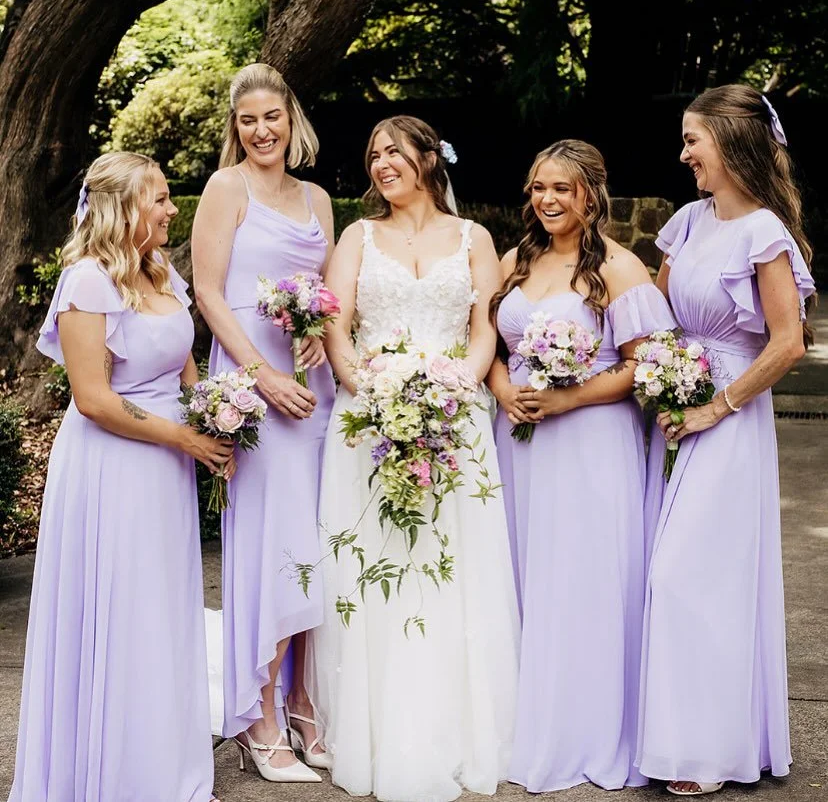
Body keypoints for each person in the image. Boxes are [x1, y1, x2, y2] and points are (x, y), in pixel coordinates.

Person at [310, 115, 520, 802]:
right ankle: (377, 732)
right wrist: (367, 390)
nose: (381, 164)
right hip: (368, 421)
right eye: (373, 154)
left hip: (456, 421)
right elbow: (336, 327)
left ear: (430, 157)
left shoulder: (474, 238)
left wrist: (456, 387)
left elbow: (484, 329)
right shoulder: (357, 237)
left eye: (394, 151)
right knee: (379, 568)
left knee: (451, 567)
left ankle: (455, 728)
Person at [9, 152, 230, 802]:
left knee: (159, 611)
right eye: (159, 198)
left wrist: (219, 416)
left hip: (164, 469)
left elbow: (185, 366)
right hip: (112, 468)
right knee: (121, 609)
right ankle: (112, 775)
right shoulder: (87, 281)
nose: (171, 209)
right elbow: (94, 399)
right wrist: (187, 438)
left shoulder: (159, 269)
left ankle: (161, 766)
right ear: (123, 207)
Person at [637, 84, 815, 795]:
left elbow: (789, 342)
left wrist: (717, 406)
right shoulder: (687, 221)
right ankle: (676, 738)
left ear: (732, 143)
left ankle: (707, 751)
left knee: (691, 575)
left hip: (729, 419)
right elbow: (656, 313)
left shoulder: (763, 232)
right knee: (669, 573)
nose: (684, 154)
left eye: (693, 140)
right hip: (675, 408)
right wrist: (656, 378)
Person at [488, 139, 676, 792]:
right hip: (519, 440)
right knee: (523, 572)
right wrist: (502, 388)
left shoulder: (620, 269)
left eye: (561, 189)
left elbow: (644, 365)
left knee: (582, 579)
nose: (547, 200)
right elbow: (488, 342)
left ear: (591, 194)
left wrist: (569, 397)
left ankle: (584, 727)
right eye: (539, 187)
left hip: (591, 442)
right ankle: (523, 718)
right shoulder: (516, 260)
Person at [192, 63, 335, 783]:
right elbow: (209, 293)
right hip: (255, 383)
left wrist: (319, 339)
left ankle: (305, 703)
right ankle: (260, 713)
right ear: (235, 126)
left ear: (291, 118)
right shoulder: (226, 188)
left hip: (314, 386)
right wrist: (262, 376)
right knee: (275, 539)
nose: (260, 130)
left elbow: (327, 293)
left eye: (271, 116)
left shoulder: (318, 198)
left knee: (317, 537)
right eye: (247, 120)